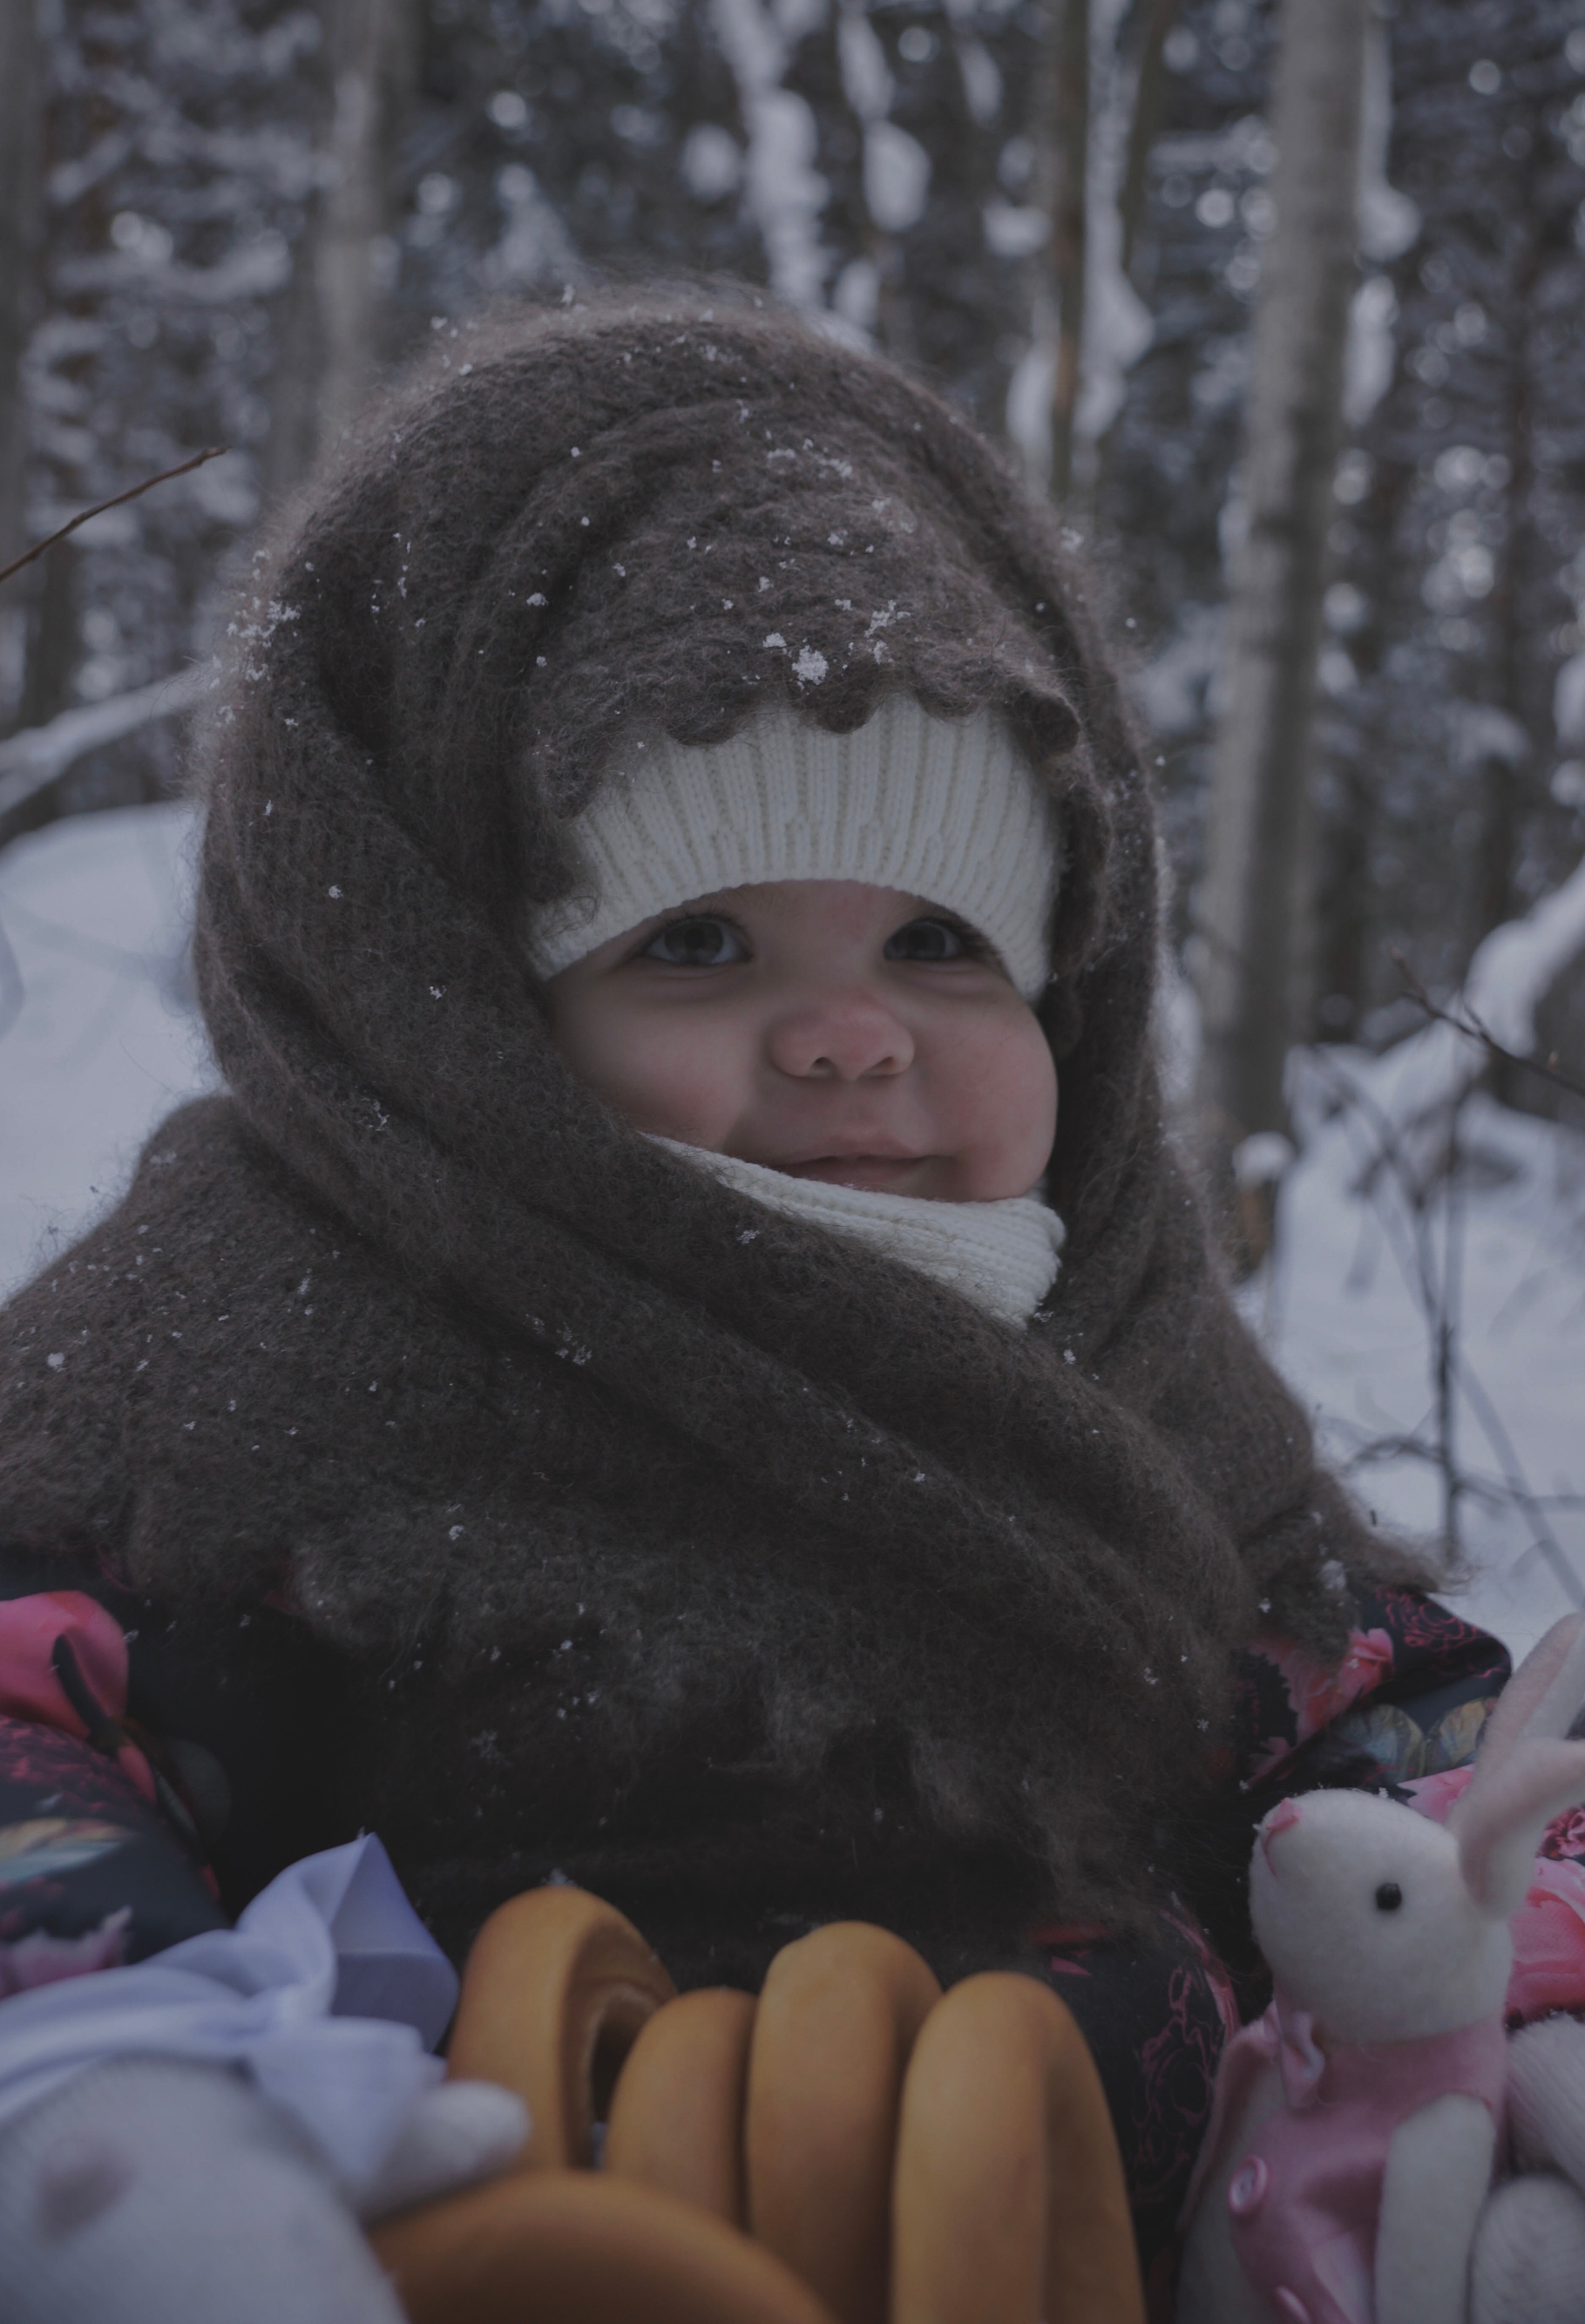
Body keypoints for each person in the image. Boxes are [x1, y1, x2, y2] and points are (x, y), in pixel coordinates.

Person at [0, 294, 1573, 2320]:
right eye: (702, 938)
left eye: (939, 939)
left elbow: (1399, 1731)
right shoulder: (276, 1361)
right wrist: (116, 2088)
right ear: (459, 1010)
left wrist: (1492, 1986)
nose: (847, 1036)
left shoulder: (1126, 1382)